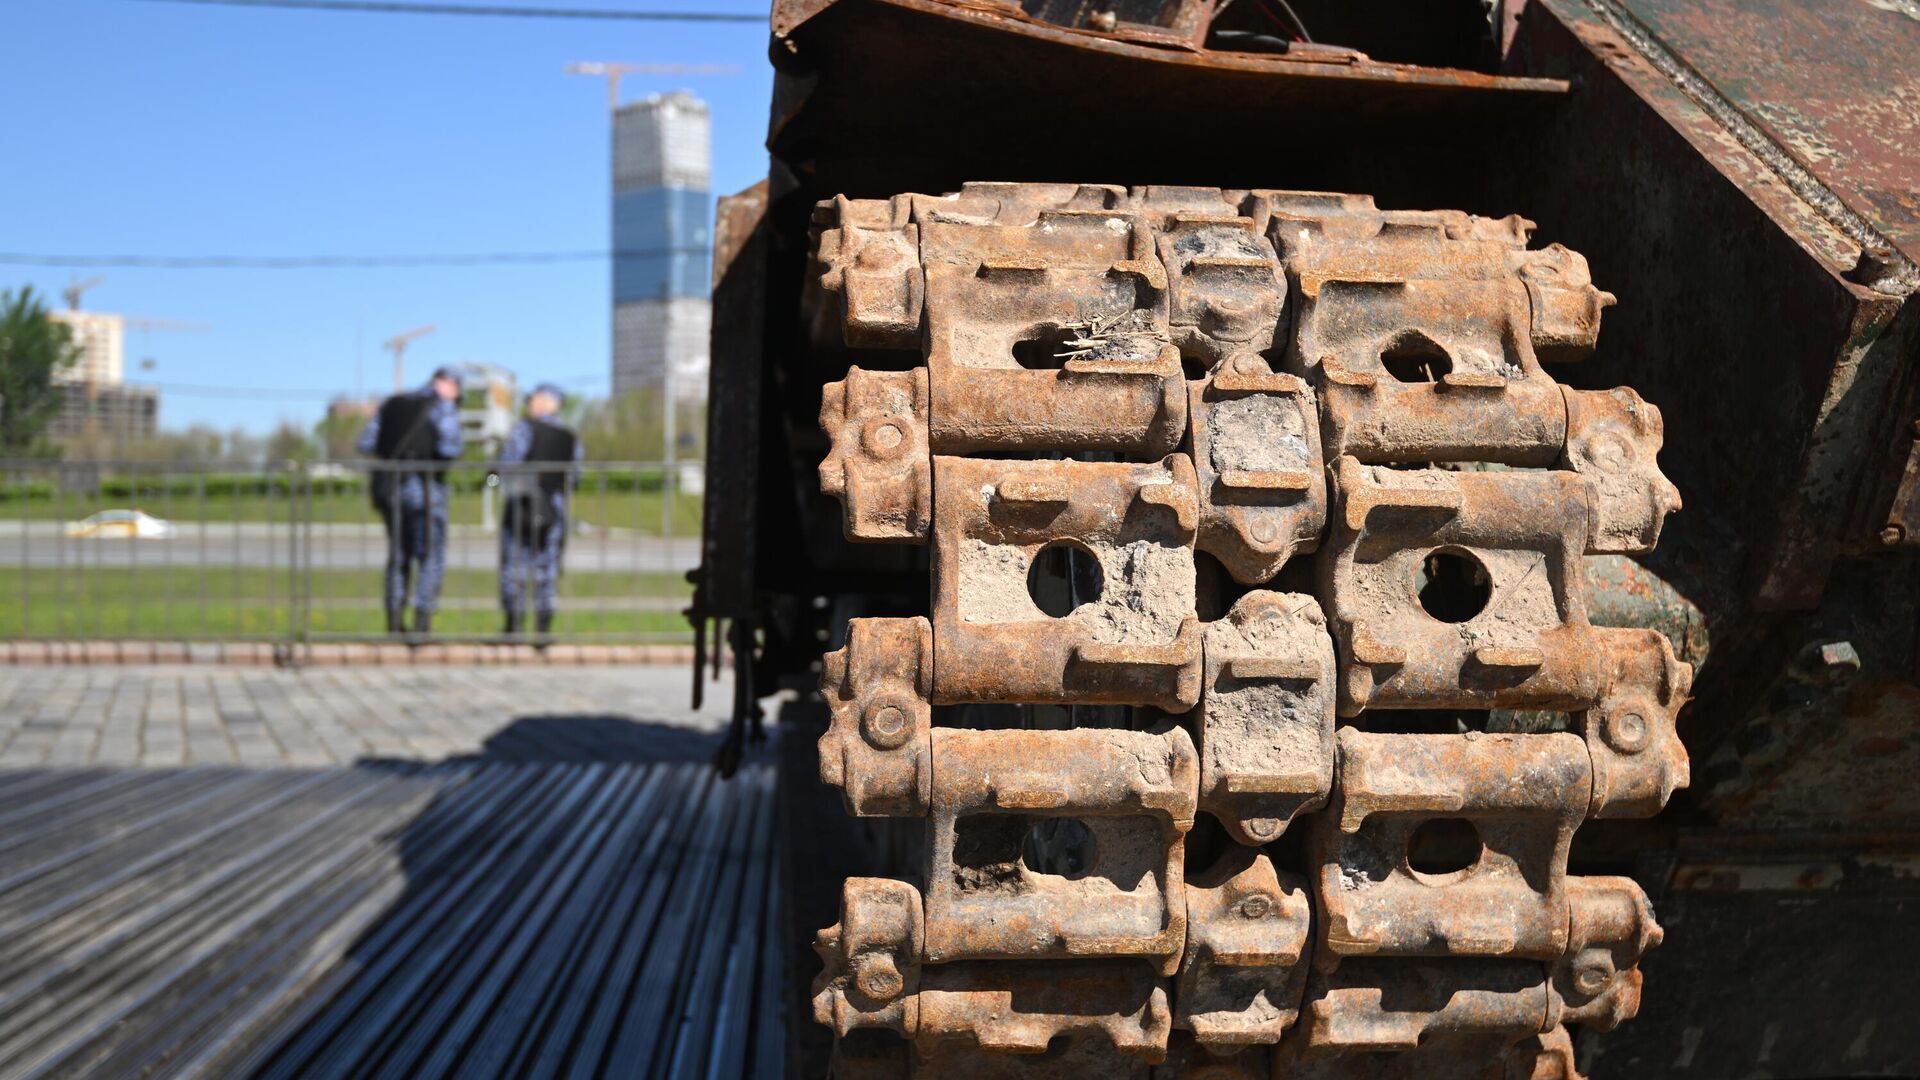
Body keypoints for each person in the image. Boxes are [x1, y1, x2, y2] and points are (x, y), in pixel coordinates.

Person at [358, 367, 464, 636]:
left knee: (398, 555)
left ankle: (394, 620)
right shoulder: (442, 407)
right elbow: (452, 447)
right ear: (447, 385)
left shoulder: (393, 403)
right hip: (425, 490)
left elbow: (367, 442)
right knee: (430, 555)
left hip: (390, 489)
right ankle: (422, 620)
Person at [495, 382, 582, 638]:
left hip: (521, 505)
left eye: (532, 400)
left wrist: (490, 481)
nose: (529, 405)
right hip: (553, 509)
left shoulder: (523, 429)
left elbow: (501, 471)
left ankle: (515, 624)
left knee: (514, 566)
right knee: (548, 569)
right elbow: (574, 479)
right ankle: (543, 629)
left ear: (545, 403)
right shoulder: (570, 437)